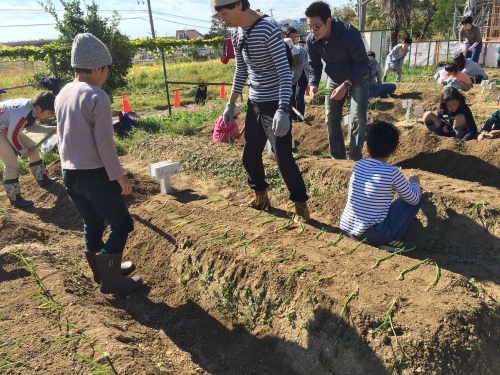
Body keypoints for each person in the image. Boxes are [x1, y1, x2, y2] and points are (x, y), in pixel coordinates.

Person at [55, 33, 141, 295]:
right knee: (122, 224)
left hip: (70, 173)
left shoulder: (63, 93)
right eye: (106, 69)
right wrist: (119, 176)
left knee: (92, 223)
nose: (107, 74)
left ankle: (101, 271)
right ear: (95, 68)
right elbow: (104, 143)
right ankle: (111, 280)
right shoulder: (97, 96)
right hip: (94, 174)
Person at [212, 0, 310, 222]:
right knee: (249, 155)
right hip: (254, 102)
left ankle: (300, 204)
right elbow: (241, 69)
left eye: (225, 14)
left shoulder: (268, 28)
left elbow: (285, 72)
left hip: (276, 102)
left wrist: (284, 109)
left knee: (283, 157)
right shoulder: (236, 33)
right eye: (220, 16)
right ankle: (261, 196)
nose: (223, 20)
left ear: (238, 5)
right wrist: (231, 102)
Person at [340, 121, 422, 252]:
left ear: (367, 147)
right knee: (417, 198)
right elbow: (413, 199)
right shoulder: (393, 172)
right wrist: (414, 183)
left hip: (347, 226)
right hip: (372, 234)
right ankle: (392, 240)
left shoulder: (359, 164)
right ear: (395, 149)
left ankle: (384, 237)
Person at [306, 1, 369, 161]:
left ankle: (355, 159)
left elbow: (363, 63)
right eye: (309, 27)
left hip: (357, 78)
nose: (313, 31)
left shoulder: (349, 34)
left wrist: (346, 84)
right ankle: (337, 158)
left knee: (358, 119)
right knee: (330, 118)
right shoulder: (312, 40)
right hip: (335, 78)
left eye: (316, 26)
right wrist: (313, 84)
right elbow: (314, 65)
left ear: (328, 21)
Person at [0, 91, 58, 207]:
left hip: (6, 127)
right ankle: (15, 198)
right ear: (39, 108)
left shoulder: (31, 109)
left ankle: (42, 178)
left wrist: (49, 129)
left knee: (32, 147)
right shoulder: (22, 114)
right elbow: (12, 136)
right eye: (49, 112)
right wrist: (23, 151)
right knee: (11, 163)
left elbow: (30, 127)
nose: (50, 115)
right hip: (2, 131)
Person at [284, 38, 310, 122]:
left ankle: (300, 118)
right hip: (292, 73)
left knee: (299, 95)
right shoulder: (283, 54)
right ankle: (293, 117)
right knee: (291, 95)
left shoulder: (301, 53)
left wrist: (289, 83)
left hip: (303, 72)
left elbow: (298, 72)